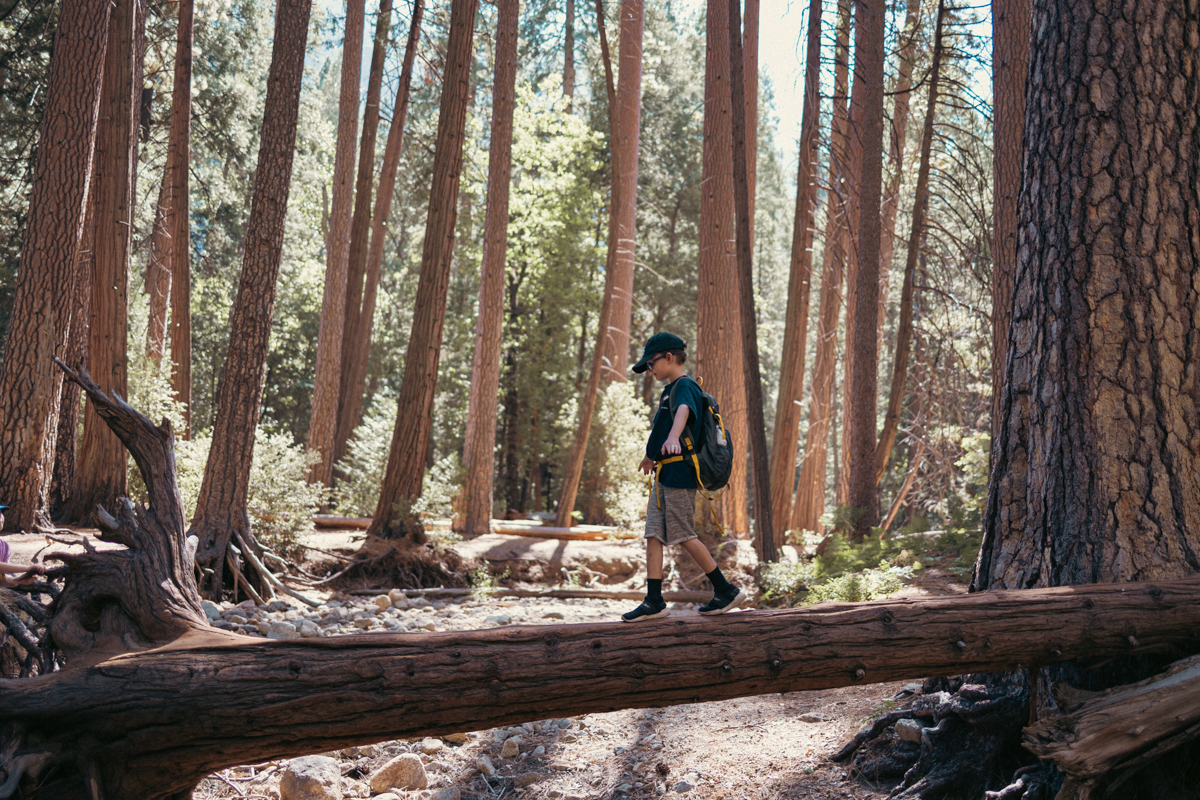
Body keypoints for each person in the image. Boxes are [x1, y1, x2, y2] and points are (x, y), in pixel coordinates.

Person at [621, 332, 746, 622]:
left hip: (680, 472)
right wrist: (650, 456)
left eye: (651, 364)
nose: (649, 370)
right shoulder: (670, 389)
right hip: (665, 472)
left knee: (682, 534)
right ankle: (654, 600)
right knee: (653, 533)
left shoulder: (685, 386)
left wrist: (675, 437)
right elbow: (663, 426)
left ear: (668, 357)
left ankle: (725, 590)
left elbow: (683, 413)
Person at [0, 503, 45, 586]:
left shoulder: (4, 546)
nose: (0, 516)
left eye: (1, 512)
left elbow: (2, 578)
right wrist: (26, 568)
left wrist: (17, 581)